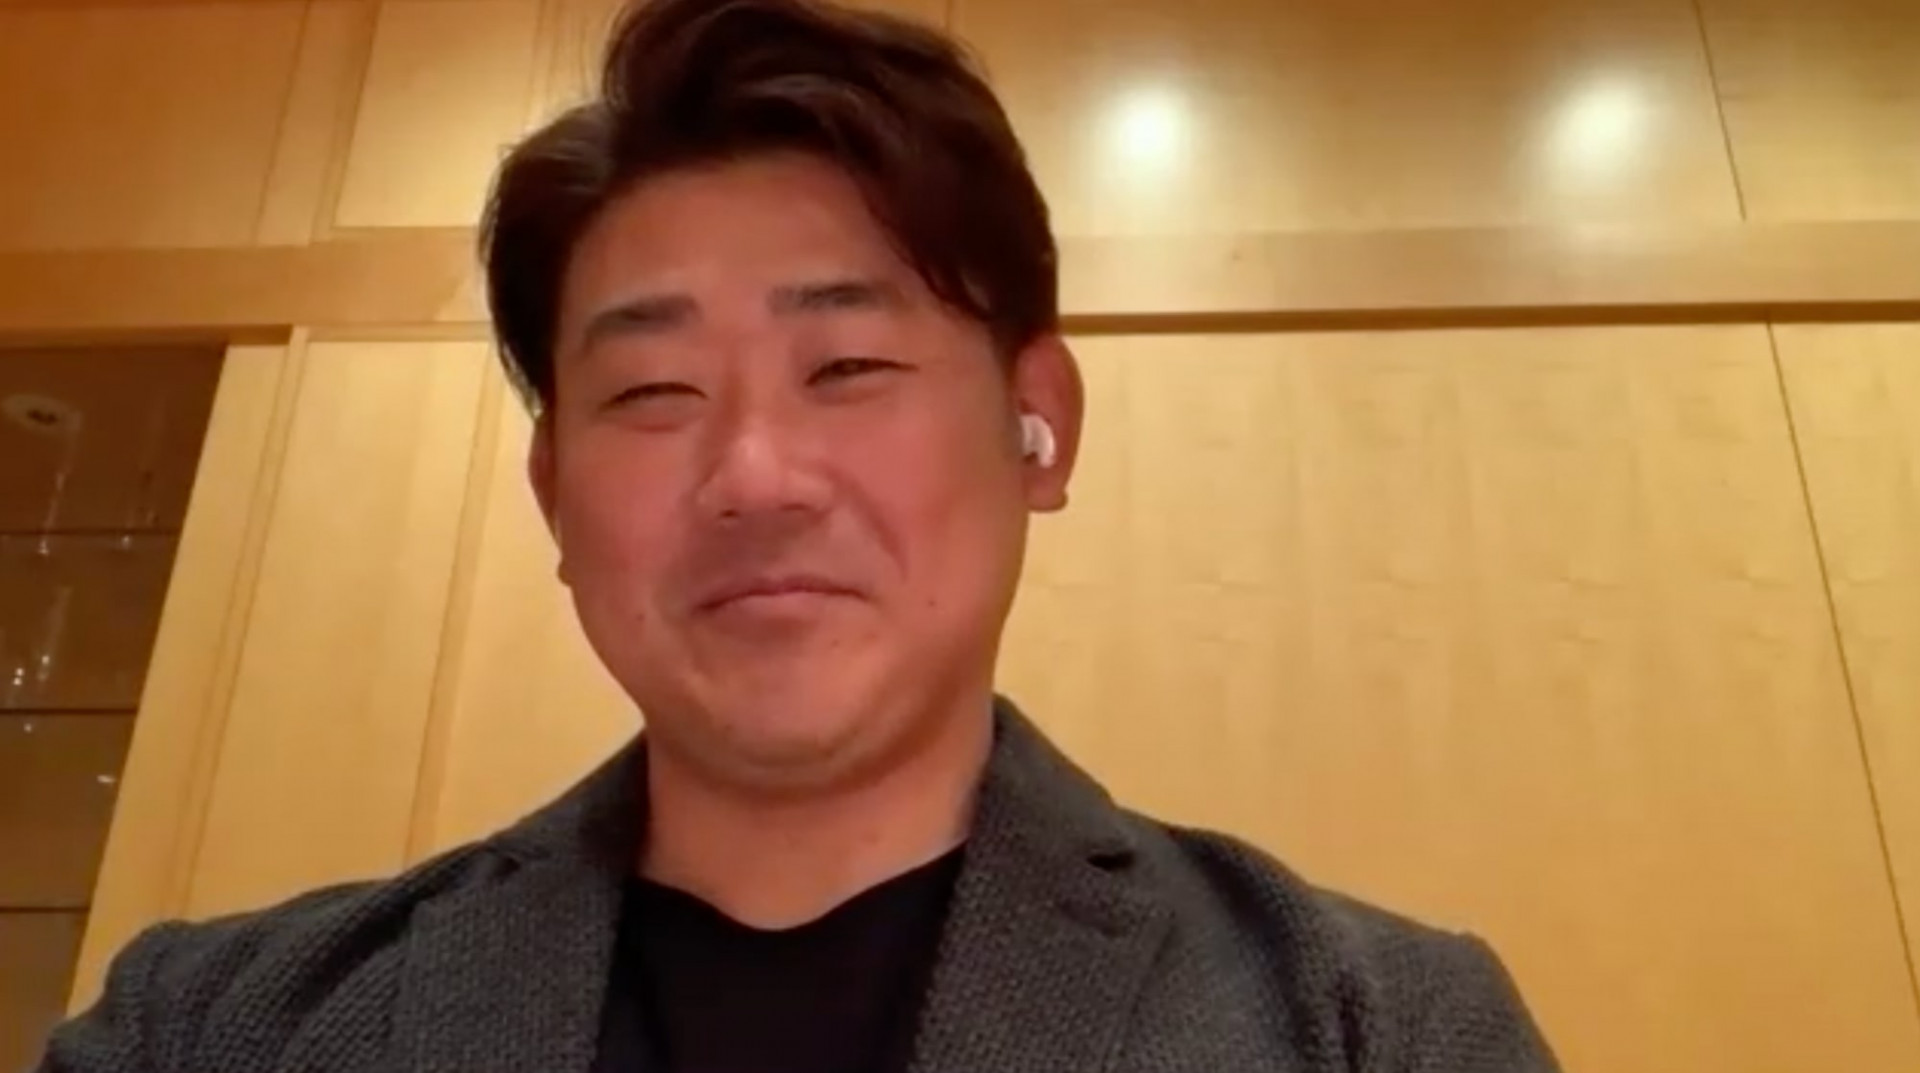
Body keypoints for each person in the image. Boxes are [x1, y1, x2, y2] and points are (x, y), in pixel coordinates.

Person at [37, 0, 1559, 1070]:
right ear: (554, 493)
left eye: (848, 367)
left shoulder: (1373, 1030)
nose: (755, 474)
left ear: (1039, 423)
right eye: (654, 391)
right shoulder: (207, 1032)